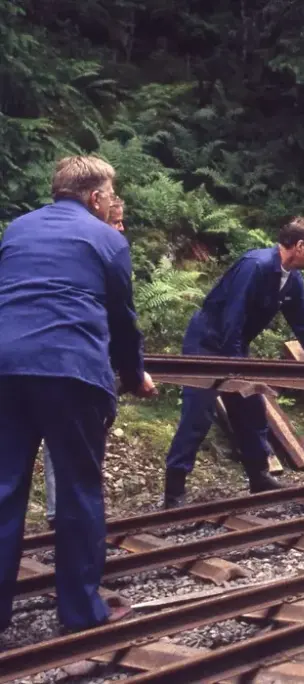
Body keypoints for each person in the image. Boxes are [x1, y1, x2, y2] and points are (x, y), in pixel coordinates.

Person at [0, 156, 156, 633]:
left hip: (5, 368)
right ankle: (81, 613)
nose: (112, 202)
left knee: (4, 490)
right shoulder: (107, 239)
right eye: (111, 194)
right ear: (95, 197)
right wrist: (134, 374)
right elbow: (122, 319)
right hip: (71, 372)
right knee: (77, 489)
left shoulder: (17, 229)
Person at [163, 217, 304, 508]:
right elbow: (234, 317)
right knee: (198, 414)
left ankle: (259, 476)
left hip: (235, 346)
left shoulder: (292, 279)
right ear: (299, 246)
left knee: (251, 407)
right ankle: (174, 489)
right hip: (206, 345)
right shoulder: (256, 266)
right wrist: (236, 366)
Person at [41, 196, 126, 530]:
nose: (121, 228)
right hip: (70, 358)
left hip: (84, 356)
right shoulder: (99, 251)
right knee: (64, 435)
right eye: (116, 221)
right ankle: (67, 514)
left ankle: (66, 510)